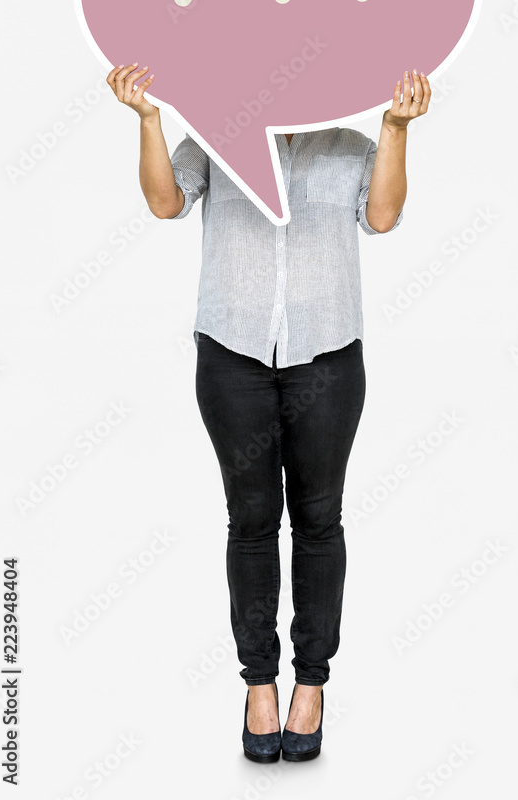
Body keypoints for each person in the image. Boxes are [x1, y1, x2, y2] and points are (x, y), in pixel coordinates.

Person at [106, 62, 430, 762]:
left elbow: (382, 216)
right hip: (232, 353)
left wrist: (395, 128)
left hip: (328, 357)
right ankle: (259, 684)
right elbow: (167, 203)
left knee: (319, 522)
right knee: (251, 523)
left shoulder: (347, 144)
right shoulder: (219, 137)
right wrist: (149, 119)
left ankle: (311, 683)